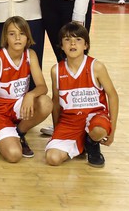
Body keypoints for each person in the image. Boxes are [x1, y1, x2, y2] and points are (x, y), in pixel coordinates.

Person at [45, 23, 119, 168]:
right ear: (61, 45)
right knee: (52, 158)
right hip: (69, 122)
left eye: (78, 39)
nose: (72, 43)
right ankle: (81, 142)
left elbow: (113, 96)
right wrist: (57, 128)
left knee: (98, 131)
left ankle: (92, 143)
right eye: (67, 39)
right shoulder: (56, 71)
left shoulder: (96, 67)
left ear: (86, 45)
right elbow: (55, 102)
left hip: (95, 116)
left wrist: (113, 129)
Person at [0, 16, 52, 162]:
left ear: (27, 36)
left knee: (46, 103)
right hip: (0, 112)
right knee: (14, 155)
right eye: (12, 34)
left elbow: (42, 87)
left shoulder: (30, 55)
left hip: (18, 106)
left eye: (22, 34)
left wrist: (30, 95)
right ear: (6, 37)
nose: (17, 38)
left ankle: (19, 132)